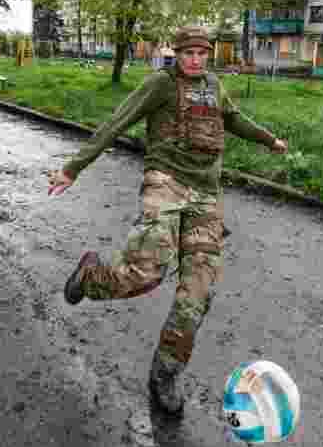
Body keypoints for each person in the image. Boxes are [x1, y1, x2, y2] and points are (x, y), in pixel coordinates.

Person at [47, 25, 288, 415]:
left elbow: (234, 119)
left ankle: (165, 373)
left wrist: (270, 140)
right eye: (188, 53)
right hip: (165, 183)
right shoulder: (161, 83)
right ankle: (90, 277)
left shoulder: (213, 85)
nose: (195, 59)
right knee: (147, 273)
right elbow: (116, 122)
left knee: (199, 292)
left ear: (208, 55)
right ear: (176, 53)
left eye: (201, 53)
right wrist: (73, 168)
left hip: (206, 196)